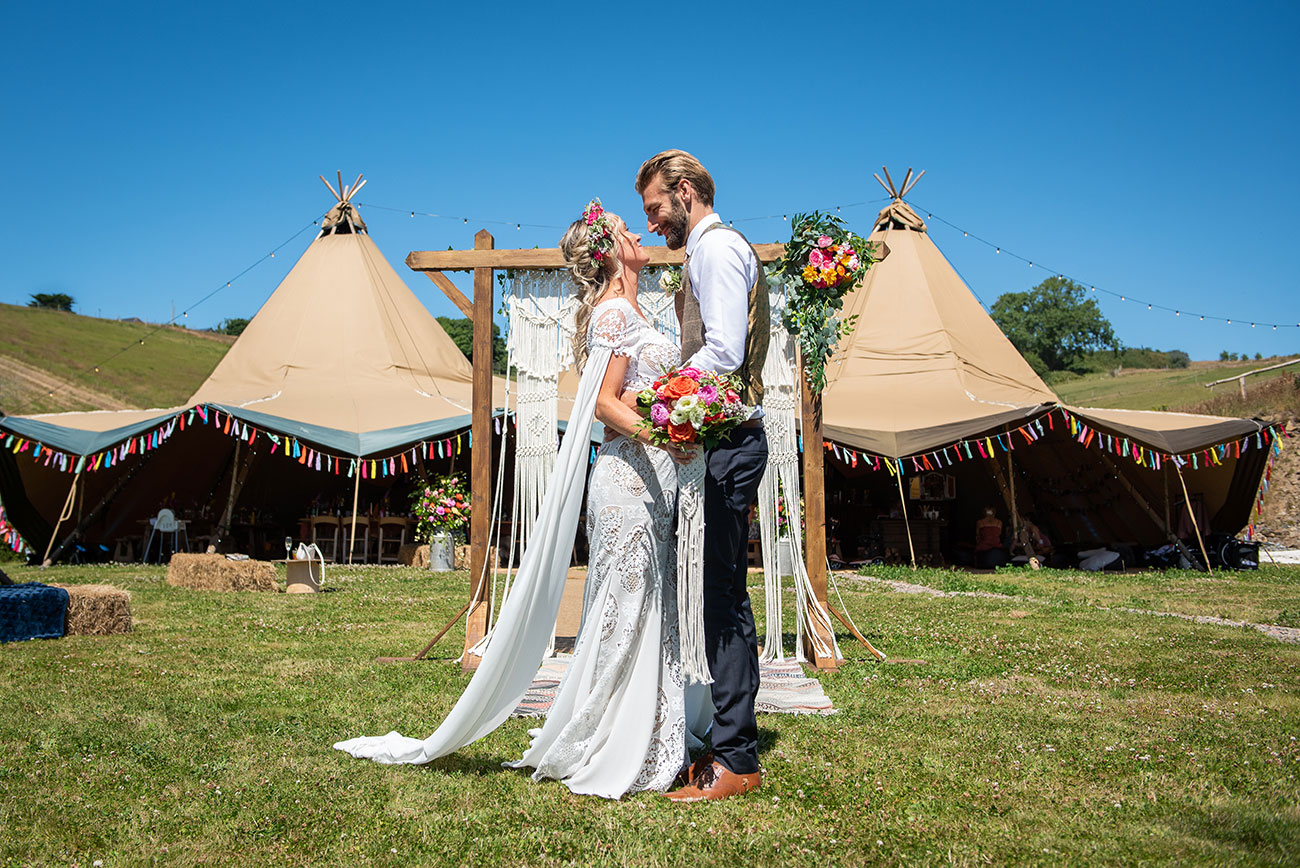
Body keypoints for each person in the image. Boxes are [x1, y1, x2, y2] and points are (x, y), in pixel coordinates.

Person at [335, 201, 709, 799]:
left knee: (648, 604)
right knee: (625, 605)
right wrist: (668, 435)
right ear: (608, 252)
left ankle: (652, 729)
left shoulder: (639, 309)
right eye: (624, 230)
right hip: (628, 478)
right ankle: (612, 739)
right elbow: (604, 406)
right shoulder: (615, 313)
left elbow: (638, 392)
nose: (639, 233)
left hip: (653, 479)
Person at [638, 150, 769, 802]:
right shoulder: (708, 251)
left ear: (685, 190)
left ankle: (737, 760)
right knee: (720, 593)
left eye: (656, 207)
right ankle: (726, 743)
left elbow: (723, 350)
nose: (652, 222)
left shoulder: (716, 250)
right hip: (727, 443)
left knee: (722, 598)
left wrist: (659, 397)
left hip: (732, 443)